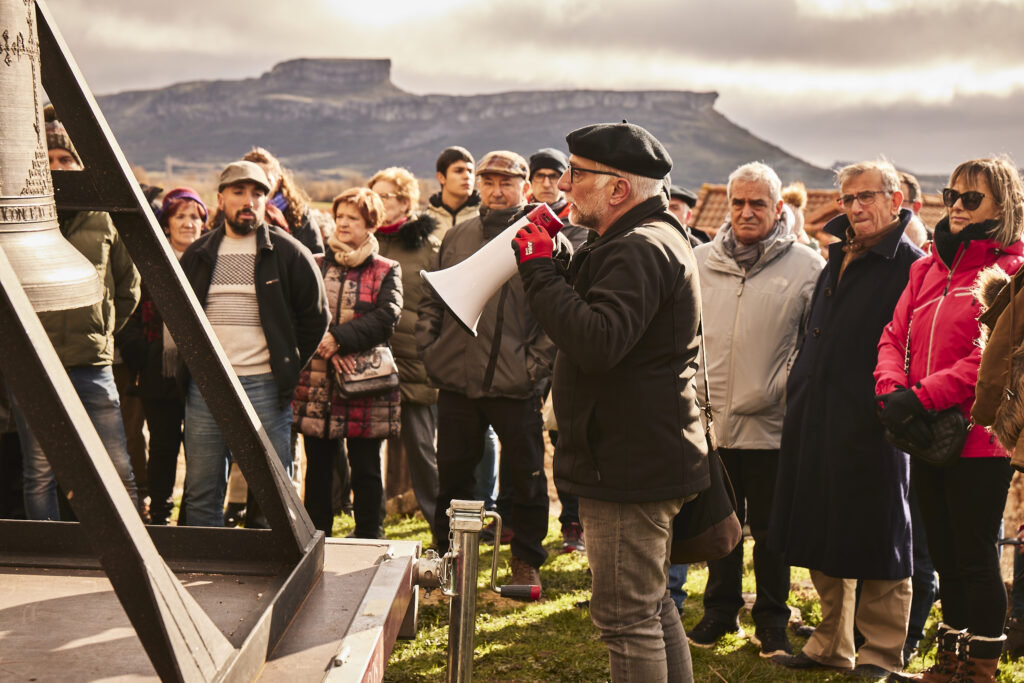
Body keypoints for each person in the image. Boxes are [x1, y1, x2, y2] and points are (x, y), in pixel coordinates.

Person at [514, 122, 707, 682]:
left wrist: (538, 271)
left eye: (576, 174)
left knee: (627, 620)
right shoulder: (642, 238)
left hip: (628, 464)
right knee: (651, 606)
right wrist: (561, 265)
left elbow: (598, 342)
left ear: (619, 189)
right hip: (638, 453)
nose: (563, 185)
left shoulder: (639, 248)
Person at [770, 160, 923, 680]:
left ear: (895, 199)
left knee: (881, 533)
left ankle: (881, 654)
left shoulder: (911, 265)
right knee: (823, 526)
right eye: (848, 198)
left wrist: (890, 406)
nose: (855, 207)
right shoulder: (837, 254)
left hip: (875, 422)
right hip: (816, 413)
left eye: (866, 196)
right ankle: (830, 644)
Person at [879, 156, 1024, 683]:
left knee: (974, 556)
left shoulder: (1014, 270)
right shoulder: (927, 268)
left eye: (972, 198)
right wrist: (892, 392)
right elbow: (894, 335)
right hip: (925, 432)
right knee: (942, 553)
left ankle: (981, 670)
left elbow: (992, 356)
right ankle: (951, 661)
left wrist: (922, 397)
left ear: (1002, 207)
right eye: (951, 195)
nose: (957, 206)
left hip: (981, 438)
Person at [687, 162, 823, 658]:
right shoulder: (699, 260)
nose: (746, 212)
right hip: (712, 424)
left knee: (771, 532)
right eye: (738, 202)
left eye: (758, 203)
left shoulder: (808, 267)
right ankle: (720, 612)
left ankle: (771, 620)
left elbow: (813, 345)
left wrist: (782, 386)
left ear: (778, 207)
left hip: (771, 423)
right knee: (720, 525)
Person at [417, 150, 561, 589]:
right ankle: (449, 559)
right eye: (489, 181)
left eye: (507, 182)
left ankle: (526, 559)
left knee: (528, 477)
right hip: (457, 379)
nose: (497, 191)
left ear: (526, 186)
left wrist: (533, 368)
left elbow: (557, 312)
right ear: (478, 185)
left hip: (515, 383)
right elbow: (432, 297)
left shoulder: (545, 237)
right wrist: (431, 349)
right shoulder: (457, 235)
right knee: (452, 476)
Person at [178, 161, 327, 527]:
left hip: (265, 385)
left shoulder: (290, 254)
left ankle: (274, 560)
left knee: (275, 494)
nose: (249, 201)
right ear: (220, 199)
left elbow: (315, 318)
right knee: (201, 491)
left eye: (258, 194)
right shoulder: (198, 254)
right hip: (208, 386)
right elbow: (180, 318)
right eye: (239, 192)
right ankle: (204, 559)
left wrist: (285, 365)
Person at [10, 107, 142, 520]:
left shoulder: (104, 218)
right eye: (48, 159)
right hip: (33, 365)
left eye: (65, 159)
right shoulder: (17, 221)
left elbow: (128, 286)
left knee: (117, 468)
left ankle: (131, 547)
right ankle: (47, 549)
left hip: (91, 364)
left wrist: (101, 330)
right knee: (40, 472)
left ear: (80, 164)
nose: (57, 167)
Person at [293, 188, 402, 538]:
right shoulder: (314, 263)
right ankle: (317, 537)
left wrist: (339, 339)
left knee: (366, 467)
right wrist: (328, 345)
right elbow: (300, 311)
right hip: (317, 380)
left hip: (365, 384)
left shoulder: (386, 269)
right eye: (339, 216)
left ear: (371, 224)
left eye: (352, 218)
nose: (343, 223)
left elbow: (387, 316)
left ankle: (370, 535)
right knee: (319, 468)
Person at [117, 188, 207, 525]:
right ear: (166, 223)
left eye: (195, 217)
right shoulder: (150, 263)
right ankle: (159, 514)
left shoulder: (209, 263)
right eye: (180, 216)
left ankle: (193, 518)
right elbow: (129, 313)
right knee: (163, 446)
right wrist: (145, 355)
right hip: (159, 370)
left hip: (202, 372)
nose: (188, 223)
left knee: (201, 449)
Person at [367, 167, 441, 539]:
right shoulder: (364, 240)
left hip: (414, 359)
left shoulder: (429, 247)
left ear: (406, 201)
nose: (380, 202)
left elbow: (441, 302)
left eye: (387, 196)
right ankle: (368, 525)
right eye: (375, 195)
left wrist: (430, 346)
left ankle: (441, 529)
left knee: (422, 449)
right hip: (366, 359)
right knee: (365, 450)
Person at [527, 146, 585, 554]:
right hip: (525, 354)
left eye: (554, 175)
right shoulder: (519, 224)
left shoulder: (580, 226)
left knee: (566, 437)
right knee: (533, 441)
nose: (548, 183)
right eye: (540, 176)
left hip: (565, 347)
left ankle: (573, 521)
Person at [242, 146, 324, 256]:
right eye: (252, 180)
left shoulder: (299, 214)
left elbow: (315, 255)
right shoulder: (231, 213)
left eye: (266, 180)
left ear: (278, 182)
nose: (260, 186)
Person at [425, 146, 480, 236]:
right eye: (459, 171)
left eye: (470, 171)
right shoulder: (423, 225)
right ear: (441, 177)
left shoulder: (484, 219)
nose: (467, 176)